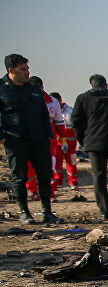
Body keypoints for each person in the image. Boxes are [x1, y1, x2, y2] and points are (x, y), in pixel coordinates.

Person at [0, 53, 61, 224]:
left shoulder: (34, 88)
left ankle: (47, 212)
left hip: (39, 139)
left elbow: (43, 113)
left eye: (27, 68)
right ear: (11, 70)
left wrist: (48, 135)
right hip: (15, 140)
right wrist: (2, 138)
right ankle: (24, 212)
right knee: (19, 177)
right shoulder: (2, 88)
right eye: (23, 69)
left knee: (45, 176)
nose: (27, 72)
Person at [71, 73, 108, 220]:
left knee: (99, 175)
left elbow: (76, 122)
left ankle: (103, 210)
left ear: (92, 85)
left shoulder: (83, 99)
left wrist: (83, 141)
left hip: (94, 143)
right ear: (106, 85)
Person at [24, 76, 67, 201]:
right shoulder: (23, 99)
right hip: (28, 138)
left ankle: (50, 192)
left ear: (42, 87)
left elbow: (59, 122)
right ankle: (33, 191)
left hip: (48, 141)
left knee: (49, 167)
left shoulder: (53, 102)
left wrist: (63, 139)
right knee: (29, 167)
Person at [49, 92, 78, 188]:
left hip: (71, 144)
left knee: (72, 163)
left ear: (60, 100)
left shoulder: (70, 111)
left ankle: (73, 182)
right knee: (57, 163)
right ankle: (58, 182)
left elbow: (76, 126)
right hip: (57, 144)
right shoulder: (50, 110)